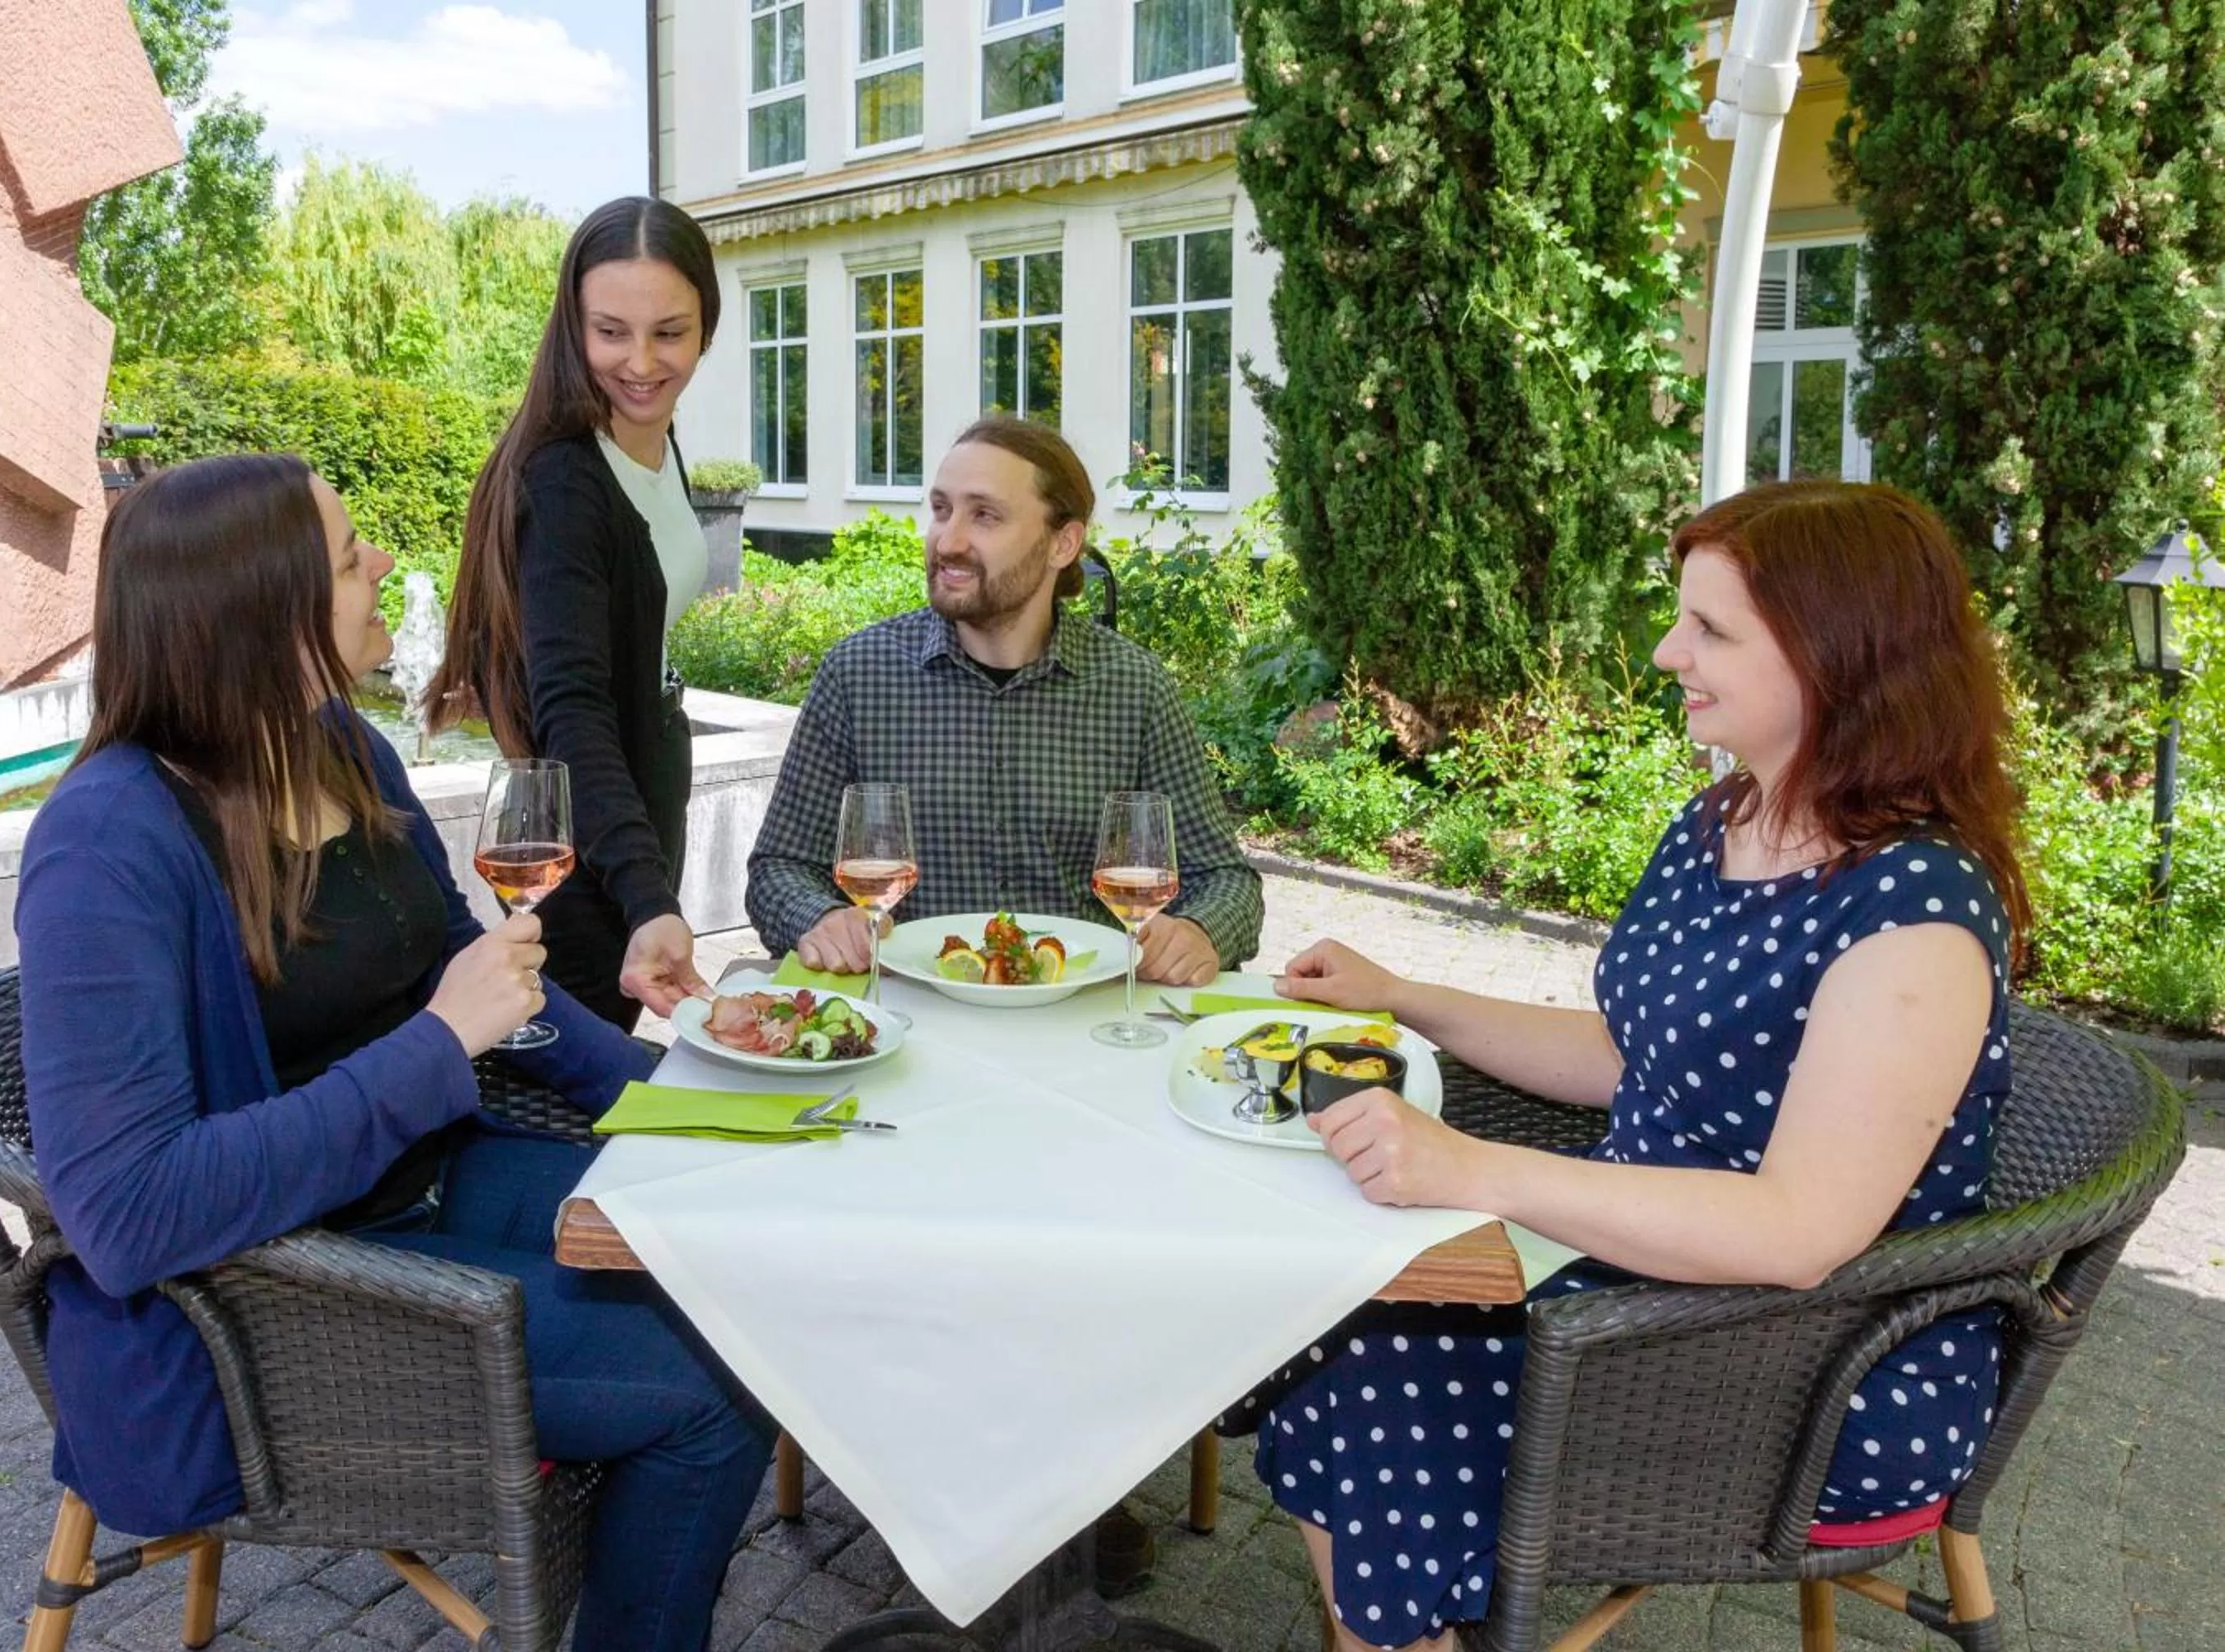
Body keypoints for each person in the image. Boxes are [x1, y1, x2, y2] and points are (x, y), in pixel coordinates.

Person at [1246, 479, 2028, 1652]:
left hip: (1813, 1362)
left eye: (1711, 628)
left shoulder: (1914, 913)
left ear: (1836, 655)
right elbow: (1631, 1056)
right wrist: (1406, 995)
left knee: (1373, 1389)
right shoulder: (1725, 821)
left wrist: (1476, 1169)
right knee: (1328, 1314)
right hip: (1637, 1277)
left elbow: (1798, 1232)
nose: (1668, 652)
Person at [17, 454, 775, 1652]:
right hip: (282, 1290)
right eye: (347, 555)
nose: (380, 564)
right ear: (261, 615)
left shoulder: (341, 749)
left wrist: (689, 1093)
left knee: (739, 1243)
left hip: (428, 1183)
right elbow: (127, 1212)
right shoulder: (106, 843)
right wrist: (436, 1046)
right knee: (716, 1386)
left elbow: (469, 970)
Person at [745, 415, 1264, 984]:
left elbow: (1226, 880)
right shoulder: (859, 675)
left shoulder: (1133, 687)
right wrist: (820, 919)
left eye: (984, 515)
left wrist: (1199, 932)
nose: (948, 541)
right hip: (909, 1012)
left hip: (1079, 1019)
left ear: (1062, 543)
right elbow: (779, 868)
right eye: (942, 509)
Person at [432, 196, 721, 1032]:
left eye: (670, 332)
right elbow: (572, 707)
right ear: (573, 325)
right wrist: (645, 892)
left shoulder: (654, 442)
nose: (642, 362)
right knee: (582, 1073)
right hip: (588, 848)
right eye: (611, 332)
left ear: (707, 327)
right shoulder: (565, 479)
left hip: (633, 817)